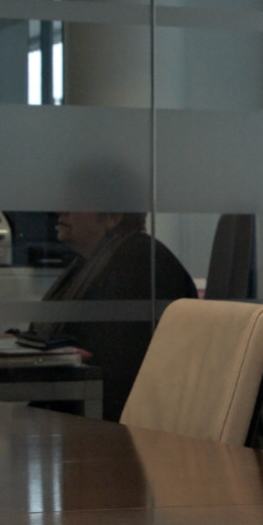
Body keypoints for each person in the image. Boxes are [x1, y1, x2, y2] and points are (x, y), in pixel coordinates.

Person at [31, 164, 198, 420]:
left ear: (112, 216)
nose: (61, 210)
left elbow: (113, 368)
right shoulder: (91, 261)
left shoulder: (136, 263)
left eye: (76, 201)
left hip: (115, 427)